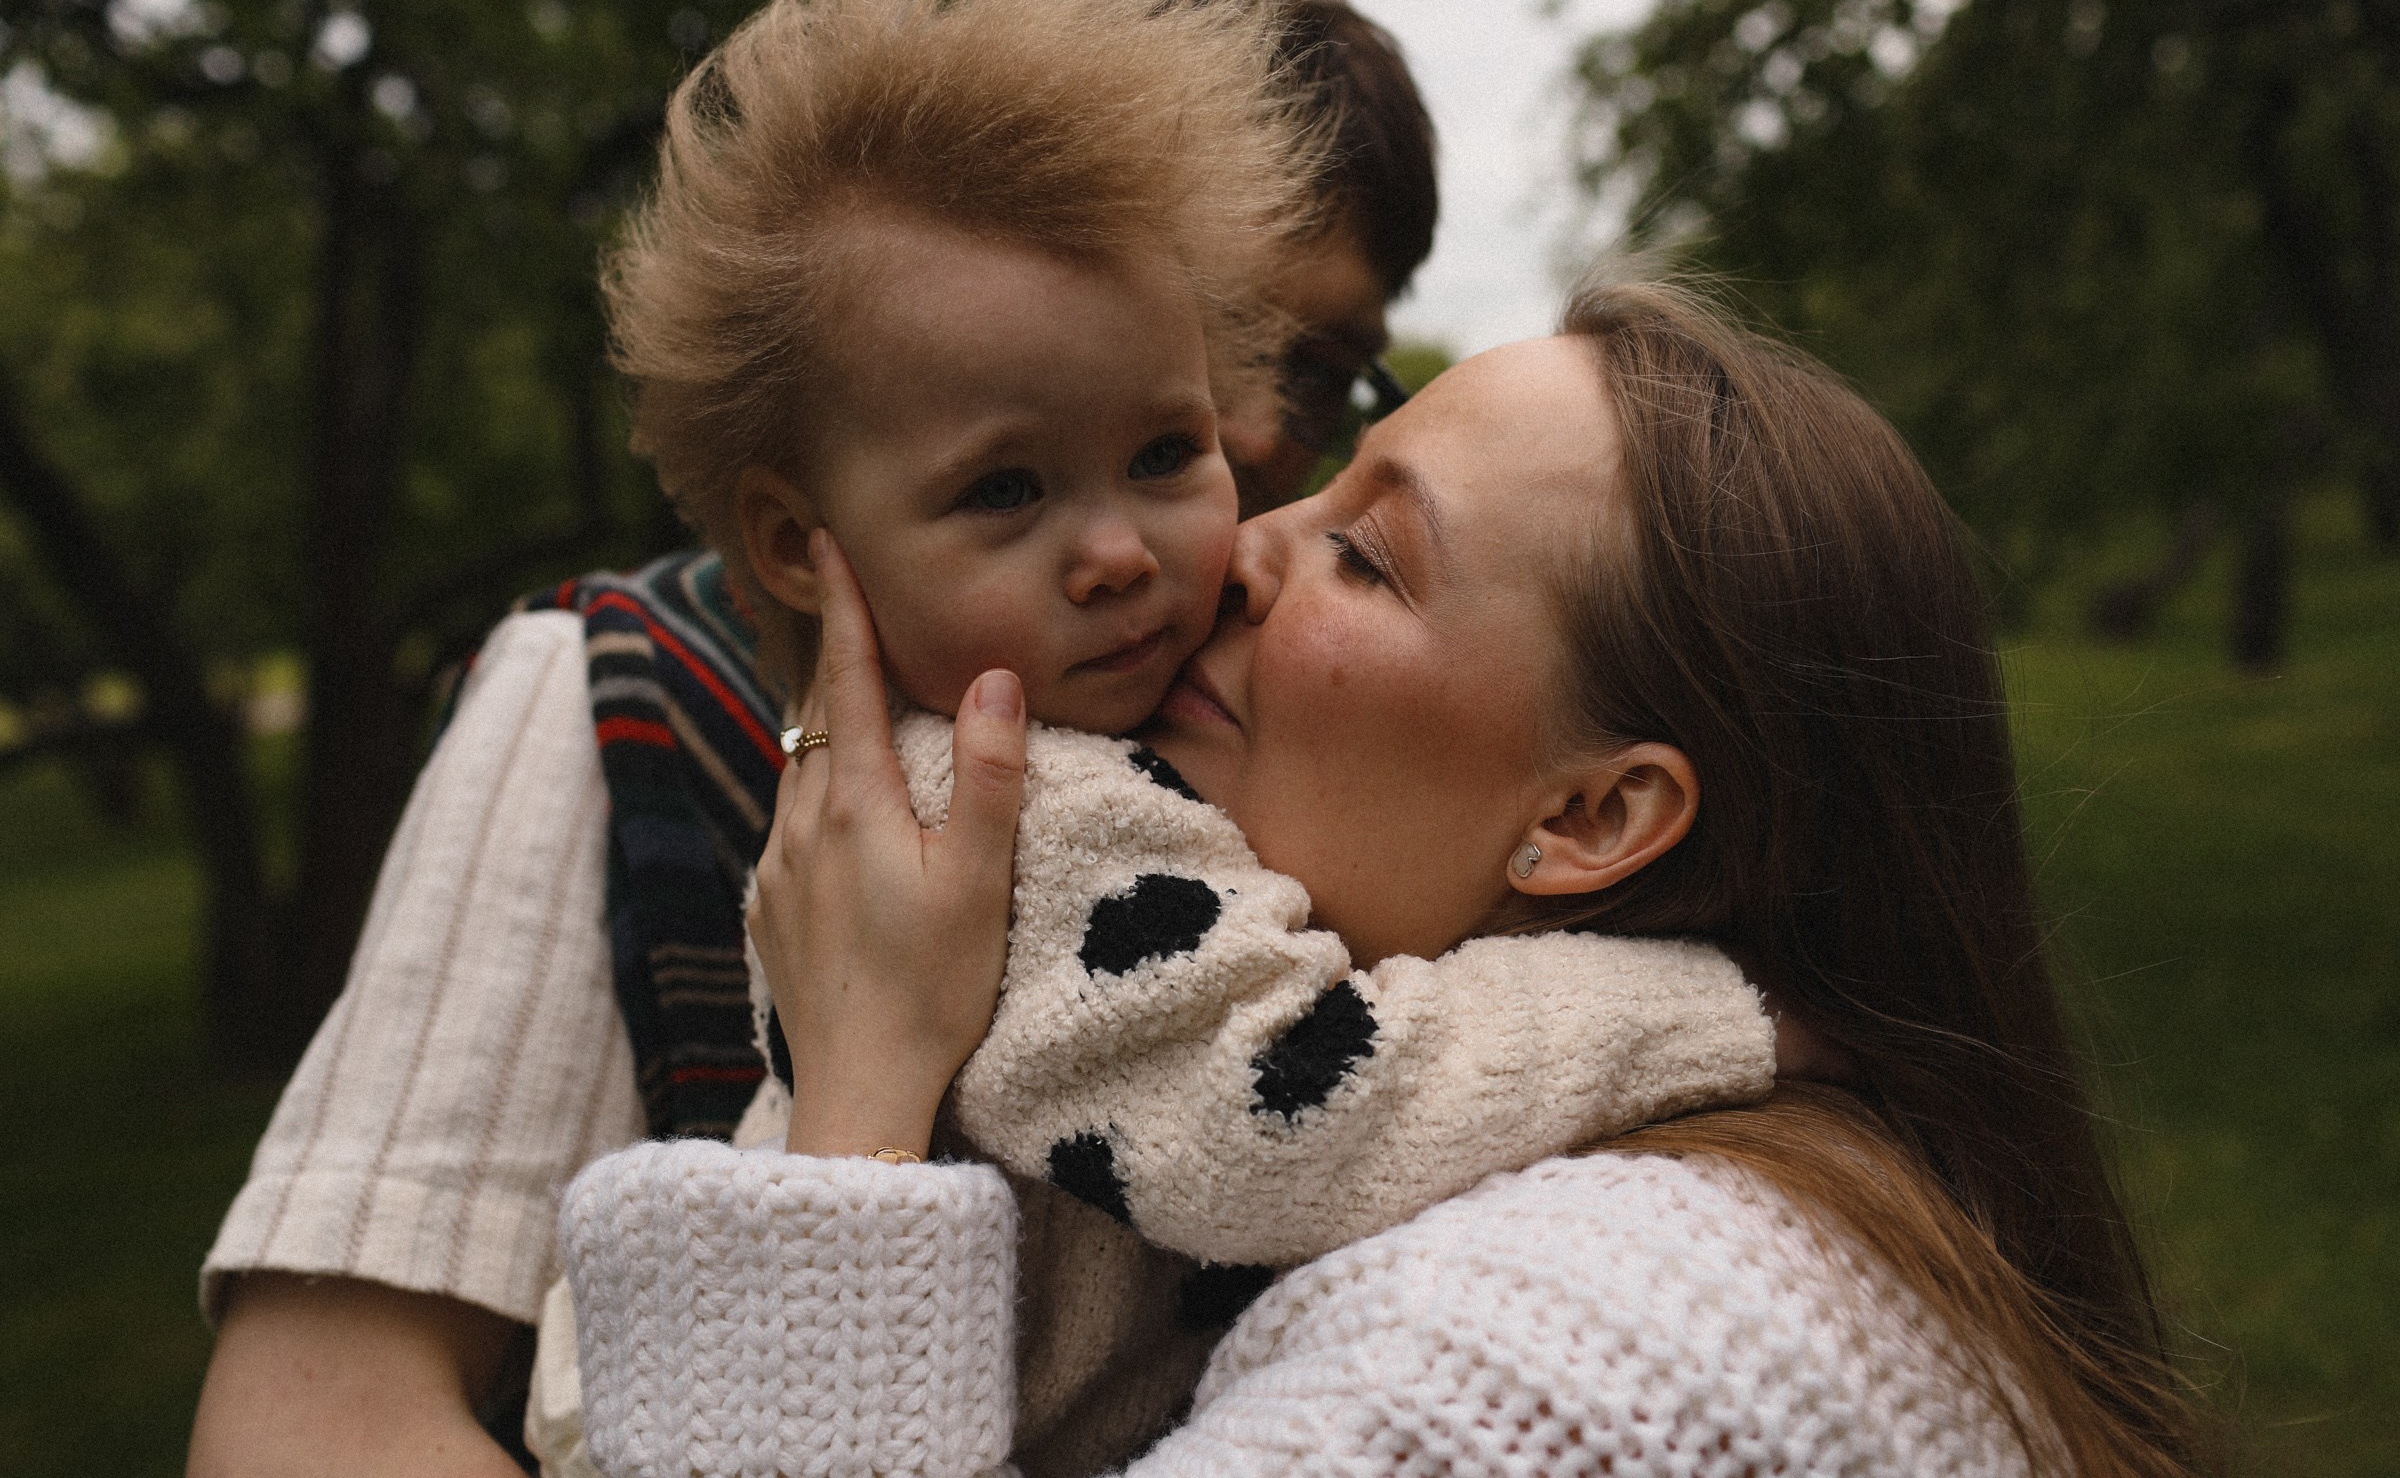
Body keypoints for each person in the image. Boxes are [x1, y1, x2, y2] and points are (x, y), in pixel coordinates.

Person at [186, 0, 1444, 1478]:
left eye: (1314, 374)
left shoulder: (1329, 690)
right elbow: (311, 1422)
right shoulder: (611, 692)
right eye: (1008, 453)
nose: (1258, 433)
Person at [557, 279, 2207, 1477]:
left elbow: (1298, 1103)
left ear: (1593, 819)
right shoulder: (1797, 1221)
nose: (1243, 549)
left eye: (1365, 553)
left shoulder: (1509, 1370)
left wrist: (854, 1121)